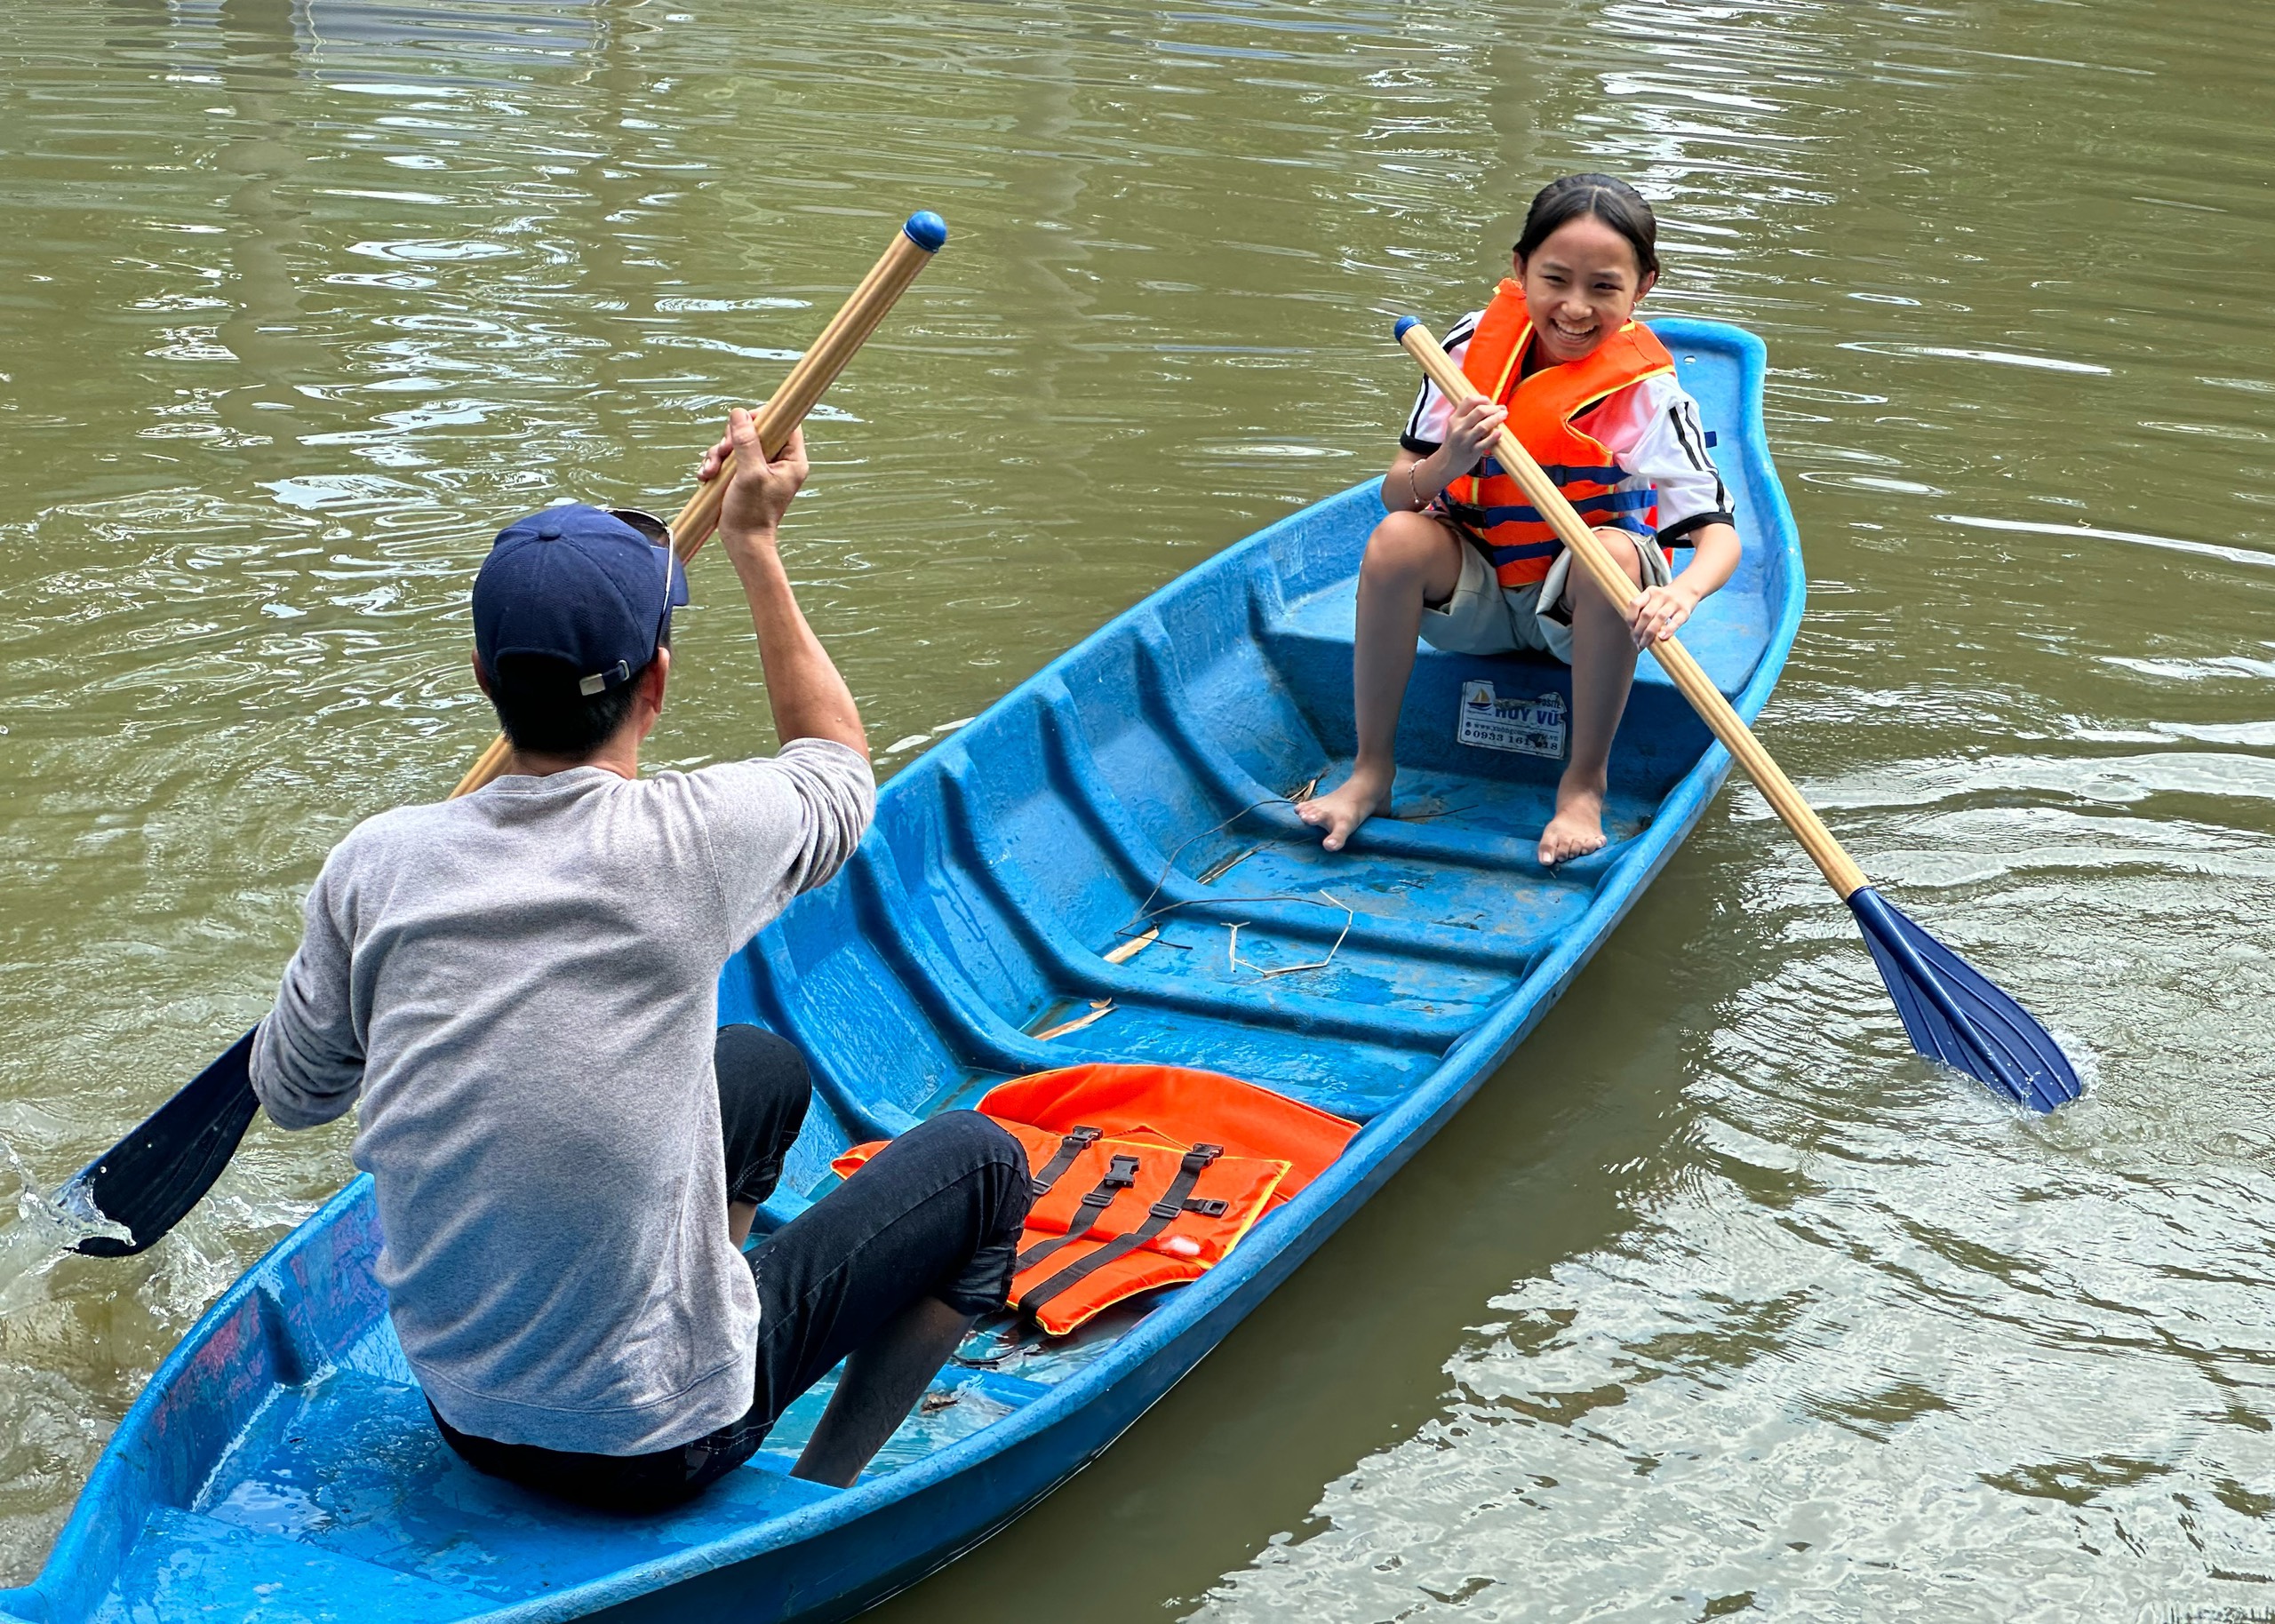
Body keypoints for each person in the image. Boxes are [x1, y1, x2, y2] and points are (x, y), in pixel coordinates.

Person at [246, 408, 1032, 1512]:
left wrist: (344, 970)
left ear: (482, 675)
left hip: (467, 1415)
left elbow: (291, 1094)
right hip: (657, 1447)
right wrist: (756, 543)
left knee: (760, 1070)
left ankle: (701, 1319)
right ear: (656, 682)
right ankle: (814, 1493)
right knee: (985, 1165)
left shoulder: (379, 861)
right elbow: (839, 771)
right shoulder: (692, 841)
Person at [1298, 174, 1744, 865]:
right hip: (1477, 595)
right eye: (1555, 280)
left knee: (1616, 557)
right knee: (1393, 541)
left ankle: (1582, 787)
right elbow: (1398, 494)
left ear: (1643, 288)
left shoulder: (1649, 396)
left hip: (1580, 610)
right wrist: (1451, 457)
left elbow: (1718, 536)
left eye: (1604, 287)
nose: (1575, 308)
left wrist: (1679, 593)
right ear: (1519, 270)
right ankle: (1371, 772)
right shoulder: (1467, 353)